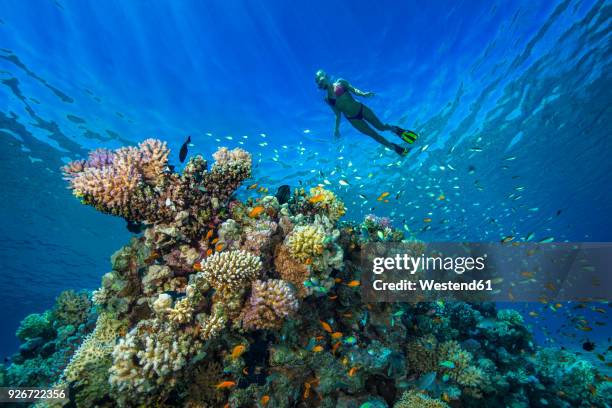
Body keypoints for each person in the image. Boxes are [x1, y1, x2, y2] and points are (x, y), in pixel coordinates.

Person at [315, 69, 417, 156]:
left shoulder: (340, 82)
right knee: (373, 134)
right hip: (353, 119)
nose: (321, 81)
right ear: (320, 85)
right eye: (319, 81)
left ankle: (395, 129)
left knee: (381, 127)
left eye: (322, 78)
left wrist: (363, 94)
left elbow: (354, 90)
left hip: (361, 108)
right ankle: (394, 147)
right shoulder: (327, 99)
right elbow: (337, 114)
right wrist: (336, 129)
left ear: (326, 77)